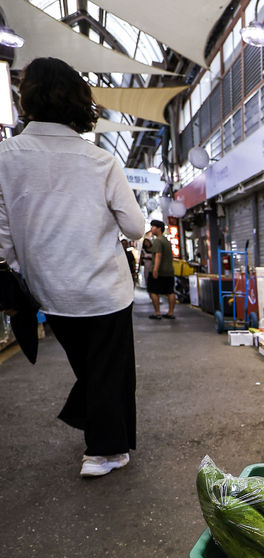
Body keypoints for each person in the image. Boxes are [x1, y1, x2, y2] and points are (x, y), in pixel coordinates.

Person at [0, 57, 146, 477]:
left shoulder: (5, 157)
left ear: (26, 99)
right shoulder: (100, 160)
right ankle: (103, 450)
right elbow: (134, 225)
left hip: (51, 292)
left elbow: (4, 234)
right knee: (108, 370)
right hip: (105, 288)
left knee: (91, 368)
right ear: (79, 101)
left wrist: (28, 265)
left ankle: (101, 439)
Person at [147, 220, 176, 320]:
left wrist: (155, 269)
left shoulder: (158, 240)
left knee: (153, 291)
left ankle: (157, 312)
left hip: (159, 271)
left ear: (159, 228)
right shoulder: (166, 240)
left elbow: (158, 255)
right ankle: (171, 312)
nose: (151, 229)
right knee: (170, 291)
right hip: (169, 271)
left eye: (153, 227)